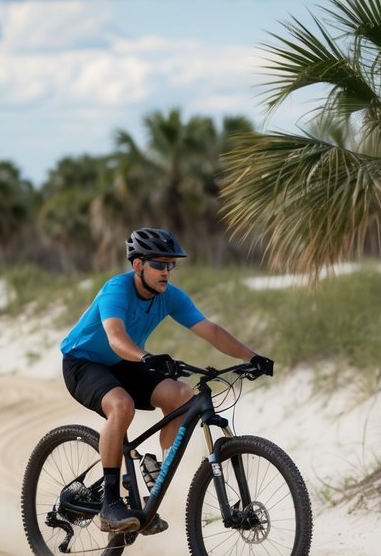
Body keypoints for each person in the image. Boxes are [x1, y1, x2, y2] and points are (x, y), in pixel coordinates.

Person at [60, 227, 274, 534]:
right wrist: (146, 356)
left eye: (170, 265)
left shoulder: (170, 297)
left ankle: (154, 485)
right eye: (159, 264)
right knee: (121, 405)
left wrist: (251, 356)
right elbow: (115, 336)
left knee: (180, 394)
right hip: (83, 363)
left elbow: (210, 330)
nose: (166, 272)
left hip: (124, 362)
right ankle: (109, 504)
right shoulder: (116, 290)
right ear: (138, 265)